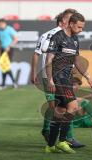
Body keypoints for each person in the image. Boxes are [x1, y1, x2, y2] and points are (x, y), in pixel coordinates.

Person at [30, 9, 85, 148]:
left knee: (62, 108)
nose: (69, 22)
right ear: (63, 21)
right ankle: (58, 137)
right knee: (62, 107)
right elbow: (39, 55)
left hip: (64, 76)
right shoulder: (49, 36)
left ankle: (60, 140)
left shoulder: (73, 37)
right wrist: (36, 74)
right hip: (51, 76)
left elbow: (72, 57)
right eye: (68, 19)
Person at [45, 12, 92, 153]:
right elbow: (48, 60)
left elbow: (76, 60)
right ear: (71, 24)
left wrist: (87, 75)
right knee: (73, 106)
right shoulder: (58, 37)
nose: (81, 30)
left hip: (66, 78)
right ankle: (62, 141)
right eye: (79, 27)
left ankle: (50, 146)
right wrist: (50, 79)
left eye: (82, 28)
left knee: (60, 111)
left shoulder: (74, 39)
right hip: (58, 77)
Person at [0, 19, 18, 90]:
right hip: (2, 50)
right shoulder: (0, 31)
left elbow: (16, 39)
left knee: (6, 66)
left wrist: (9, 46)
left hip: (9, 50)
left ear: (3, 23)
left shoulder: (9, 29)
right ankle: (10, 83)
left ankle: (7, 84)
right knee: (3, 66)